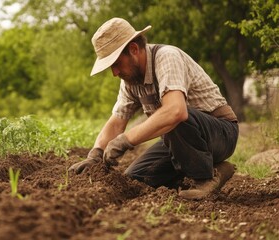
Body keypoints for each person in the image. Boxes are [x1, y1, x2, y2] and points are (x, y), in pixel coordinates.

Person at [68, 17, 239, 200]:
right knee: (134, 179)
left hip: (220, 133)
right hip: (180, 139)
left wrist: (126, 140)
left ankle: (205, 178)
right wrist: (96, 154)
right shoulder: (130, 81)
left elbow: (176, 112)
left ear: (134, 49)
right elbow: (116, 122)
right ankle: (216, 170)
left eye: (116, 64)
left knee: (174, 116)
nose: (114, 73)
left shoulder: (166, 57)